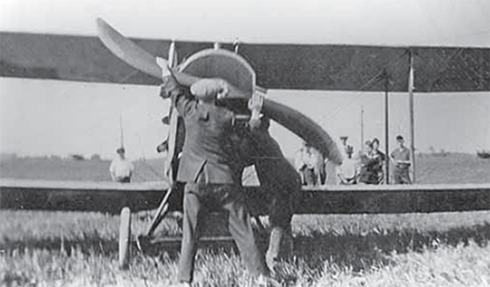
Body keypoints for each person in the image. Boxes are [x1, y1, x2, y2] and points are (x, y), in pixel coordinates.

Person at [158, 68, 269, 286]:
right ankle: (261, 277)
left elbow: (174, 92)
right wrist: (255, 113)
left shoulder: (189, 111)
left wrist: (165, 71)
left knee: (190, 233)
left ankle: (184, 280)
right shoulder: (227, 117)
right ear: (217, 96)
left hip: (195, 180)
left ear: (197, 96)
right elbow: (249, 132)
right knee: (244, 229)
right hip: (224, 181)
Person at [231, 92, 301, 273]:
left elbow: (245, 150)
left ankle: (274, 258)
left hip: (283, 183)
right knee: (282, 219)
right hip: (288, 180)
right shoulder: (267, 139)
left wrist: (254, 112)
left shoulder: (258, 138)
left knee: (278, 219)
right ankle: (286, 254)